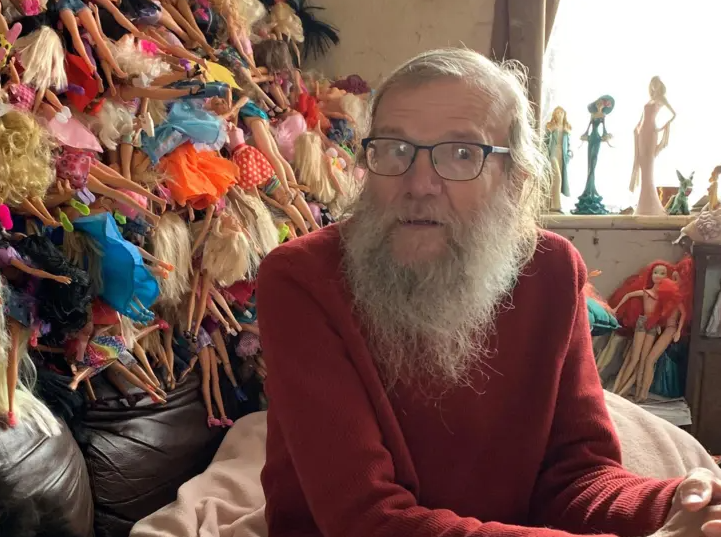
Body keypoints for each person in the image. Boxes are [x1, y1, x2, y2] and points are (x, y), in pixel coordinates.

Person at [256, 48, 721, 537]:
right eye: (394, 149)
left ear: (515, 181)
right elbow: (365, 519)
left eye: (462, 154)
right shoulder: (300, 278)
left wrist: (675, 507)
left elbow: (576, 478)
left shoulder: (552, 270)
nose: (419, 183)